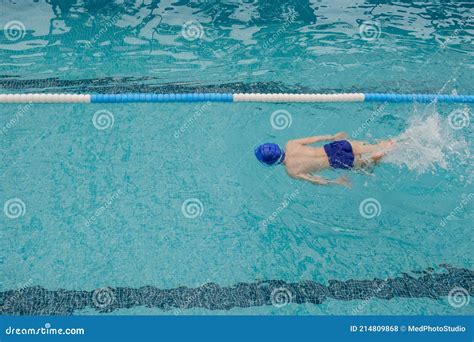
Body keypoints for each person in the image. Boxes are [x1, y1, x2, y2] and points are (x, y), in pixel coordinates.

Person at [254, 132, 394, 188]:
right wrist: (332, 137)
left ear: (270, 164)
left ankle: (378, 156)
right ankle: (392, 143)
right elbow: (313, 139)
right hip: (334, 147)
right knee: (374, 147)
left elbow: (315, 180)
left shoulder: (291, 171)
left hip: (336, 161)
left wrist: (337, 182)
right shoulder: (291, 144)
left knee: (369, 165)